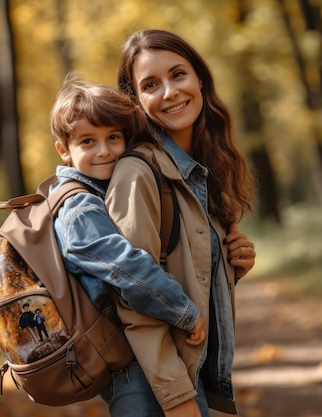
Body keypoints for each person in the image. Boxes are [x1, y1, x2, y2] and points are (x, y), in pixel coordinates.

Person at [105, 29, 258, 417]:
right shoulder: (138, 173)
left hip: (183, 372)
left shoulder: (199, 171)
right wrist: (176, 398)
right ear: (136, 101)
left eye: (178, 75)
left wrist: (230, 265)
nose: (170, 92)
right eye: (151, 84)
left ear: (200, 79)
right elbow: (132, 294)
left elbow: (181, 271)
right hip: (151, 383)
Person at [48, 73, 207, 385]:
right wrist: (182, 310)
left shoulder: (99, 191)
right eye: (88, 141)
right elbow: (125, 266)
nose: (104, 151)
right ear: (64, 150)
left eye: (113, 138)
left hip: (124, 345)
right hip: (120, 355)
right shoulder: (80, 207)